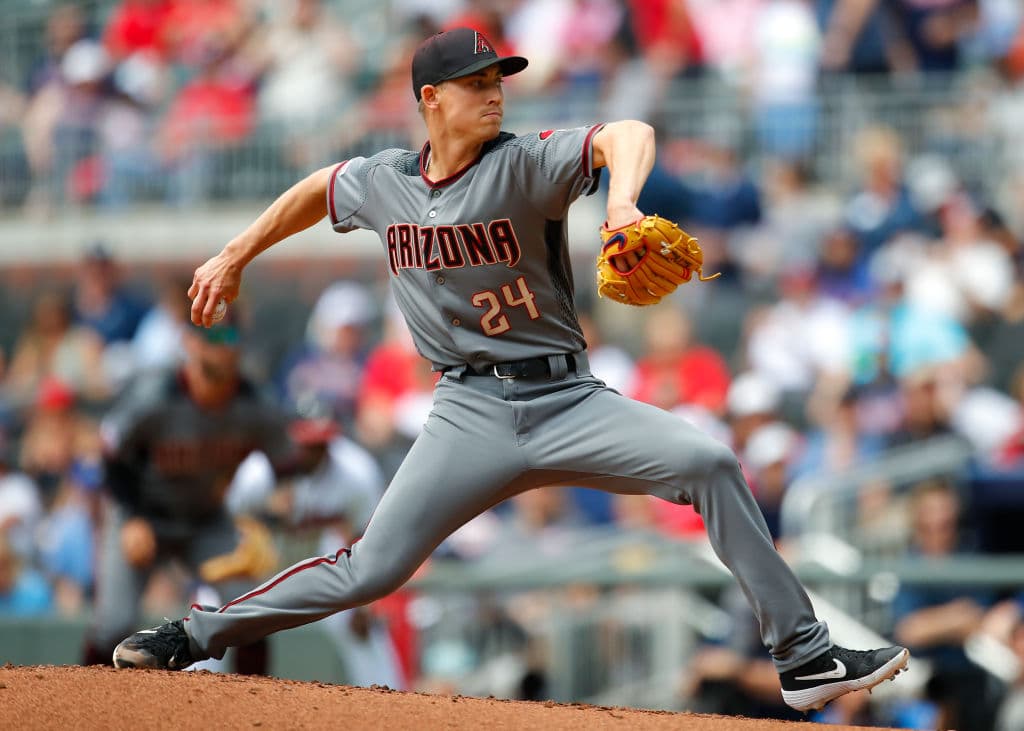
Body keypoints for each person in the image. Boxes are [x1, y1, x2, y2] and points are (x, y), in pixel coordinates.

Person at [113, 27, 909, 713]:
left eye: (499, 81)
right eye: (476, 83)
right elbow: (318, 191)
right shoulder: (386, 181)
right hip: (467, 414)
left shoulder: (523, 163)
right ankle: (192, 634)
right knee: (371, 569)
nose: (495, 94)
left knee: (708, 459)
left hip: (567, 397)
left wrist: (624, 202)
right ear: (430, 98)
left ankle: (804, 657)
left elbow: (624, 132)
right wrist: (233, 252)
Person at [84, 312, 296, 673]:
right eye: (213, 339)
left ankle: (256, 713)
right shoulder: (154, 395)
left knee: (250, 614)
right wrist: (132, 517)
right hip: (143, 516)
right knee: (113, 621)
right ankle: (78, 708)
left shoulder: (254, 403)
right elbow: (110, 457)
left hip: (205, 520)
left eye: (231, 339)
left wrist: (267, 518)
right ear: (189, 343)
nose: (223, 349)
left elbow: (285, 467)